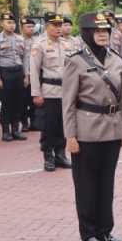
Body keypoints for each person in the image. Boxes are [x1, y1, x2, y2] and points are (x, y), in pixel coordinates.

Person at [63, 12, 122, 241]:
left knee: (106, 183)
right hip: (86, 131)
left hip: (111, 129)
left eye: (106, 31)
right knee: (86, 184)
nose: (102, 35)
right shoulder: (75, 61)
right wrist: (70, 136)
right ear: (87, 33)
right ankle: (89, 233)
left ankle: (105, 230)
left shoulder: (116, 59)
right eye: (97, 31)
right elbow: (68, 102)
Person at [30, 12, 72, 170]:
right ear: (47, 26)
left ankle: (61, 154)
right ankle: (48, 156)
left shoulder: (67, 44)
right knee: (49, 125)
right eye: (55, 25)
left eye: (60, 25)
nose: (58, 28)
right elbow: (34, 70)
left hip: (66, 90)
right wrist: (36, 93)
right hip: (48, 91)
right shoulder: (39, 44)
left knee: (63, 124)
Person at [0, 12, 28, 142]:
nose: (12, 25)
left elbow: (25, 58)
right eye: (8, 22)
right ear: (2, 24)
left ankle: (16, 129)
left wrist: (26, 75)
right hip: (4, 72)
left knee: (18, 102)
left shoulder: (20, 39)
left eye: (13, 23)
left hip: (18, 72)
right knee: (6, 103)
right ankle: (6, 131)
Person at [21, 17, 38, 131]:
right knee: (23, 101)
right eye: (28, 27)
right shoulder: (19, 41)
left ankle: (34, 122)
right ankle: (24, 123)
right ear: (22, 28)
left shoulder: (38, 41)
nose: (31, 29)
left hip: (36, 75)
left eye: (32, 27)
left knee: (34, 101)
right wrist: (25, 75)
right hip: (23, 75)